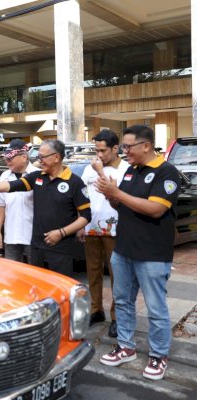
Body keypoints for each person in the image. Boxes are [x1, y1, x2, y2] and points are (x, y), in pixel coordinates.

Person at [96, 125, 180, 381]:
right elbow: (124, 205)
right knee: (122, 301)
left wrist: (117, 193)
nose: (125, 152)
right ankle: (126, 346)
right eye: (123, 147)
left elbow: (155, 209)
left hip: (152, 253)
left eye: (128, 147)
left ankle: (158, 355)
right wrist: (112, 197)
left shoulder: (166, 172)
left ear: (146, 146)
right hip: (124, 250)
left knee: (155, 308)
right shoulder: (132, 171)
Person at [0, 139, 91, 276]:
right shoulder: (37, 177)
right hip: (37, 247)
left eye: (42, 157)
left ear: (56, 157)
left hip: (61, 248)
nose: (39, 161)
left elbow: (86, 216)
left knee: (60, 287)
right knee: (36, 285)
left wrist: (61, 233)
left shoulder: (75, 182)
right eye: (38, 157)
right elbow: (9, 186)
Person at [79, 129, 129, 338]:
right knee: (93, 272)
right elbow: (82, 197)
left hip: (115, 230)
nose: (99, 155)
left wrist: (101, 170)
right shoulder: (89, 169)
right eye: (96, 150)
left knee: (117, 275)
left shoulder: (126, 169)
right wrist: (80, 223)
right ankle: (95, 309)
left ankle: (117, 317)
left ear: (115, 148)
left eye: (103, 150)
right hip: (91, 227)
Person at [0, 139, 40, 262]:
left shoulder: (37, 175)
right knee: (12, 274)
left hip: (32, 235)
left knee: (34, 272)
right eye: (6, 158)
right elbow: (1, 205)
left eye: (11, 158)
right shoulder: (4, 176)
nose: (7, 161)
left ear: (24, 157)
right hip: (11, 235)